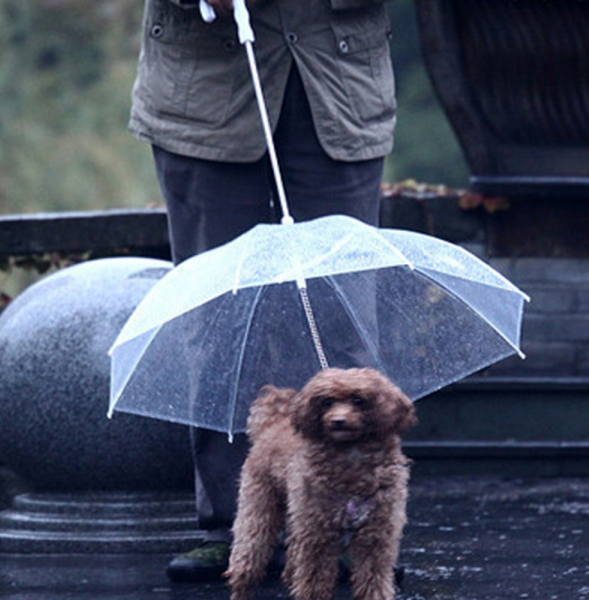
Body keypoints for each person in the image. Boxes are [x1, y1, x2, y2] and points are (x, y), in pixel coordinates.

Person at [129, 0, 397, 583]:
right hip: (206, 95)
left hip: (338, 89)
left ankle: (352, 526)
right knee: (219, 321)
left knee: (342, 316)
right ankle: (231, 529)